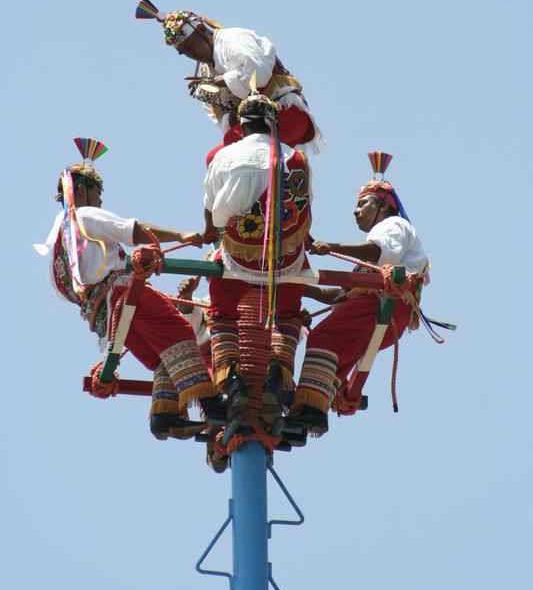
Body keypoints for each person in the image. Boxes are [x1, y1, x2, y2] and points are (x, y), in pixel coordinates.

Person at [35, 141, 223, 440]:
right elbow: (132, 230)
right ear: (81, 191)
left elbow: (64, 291)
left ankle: (165, 417)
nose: (98, 201)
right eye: (97, 193)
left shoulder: (58, 241)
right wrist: (184, 235)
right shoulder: (83, 216)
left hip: (105, 318)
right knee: (181, 333)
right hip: (125, 297)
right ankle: (214, 408)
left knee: (165, 357)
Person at [289, 153, 429, 436]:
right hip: (381, 314)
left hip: (383, 305)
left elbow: (378, 251)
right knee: (335, 360)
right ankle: (310, 413)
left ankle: (310, 410)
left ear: (384, 205)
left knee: (323, 339)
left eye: (363, 203)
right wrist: (296, 286)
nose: (356, 211)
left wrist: (332, 246)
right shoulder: (373, 258)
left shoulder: (394, 226)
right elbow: (338, 296)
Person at [203, 94, 312, 423]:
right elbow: (305, 211)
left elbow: (211, 208)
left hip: (239, 256)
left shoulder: (224, 156)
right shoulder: (297, 158)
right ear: (273, 123)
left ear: (242, 124)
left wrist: (210, 232)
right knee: (289, 311)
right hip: (285, 258)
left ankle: (232, 381)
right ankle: (277, 379)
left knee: (221, 310)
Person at [135, 0, 324, 162]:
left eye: (190, 45)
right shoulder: (204, 72)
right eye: (184, 52)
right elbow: (222, 121)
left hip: (284, 114)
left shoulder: (233, 39)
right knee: (215, 159)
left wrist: (224, 80)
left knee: (230, 154)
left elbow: (260, 74)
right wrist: (213, 97)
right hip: (255, 129)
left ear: (201, 29)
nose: (190, 53)